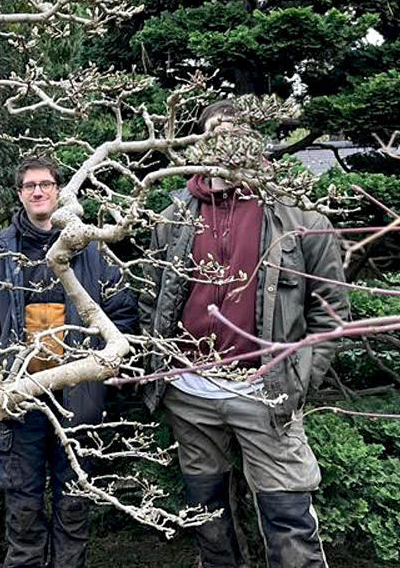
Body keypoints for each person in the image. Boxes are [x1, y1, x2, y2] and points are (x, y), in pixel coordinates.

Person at [141, 100, 349, 568]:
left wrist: (298, 380)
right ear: (202, 141)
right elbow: (150, 299)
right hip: (189, 390)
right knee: (206, 518)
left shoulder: (301, 218)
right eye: (217, 130)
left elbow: (331, 311)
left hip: (265, 391)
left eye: (238, 130)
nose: (227, 139)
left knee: (288, 517)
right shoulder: (174, 215)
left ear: (255, 142)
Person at [0, 156, 137, 568]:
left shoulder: (92, 250)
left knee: (75, 502)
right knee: (21, 508)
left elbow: (123, 313)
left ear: (59, 189)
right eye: (29, 186)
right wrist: (0, 368)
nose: (38, 191)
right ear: (20, 194)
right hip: (21, 400)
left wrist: (108, 363)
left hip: (80, 397)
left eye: (45, 184)